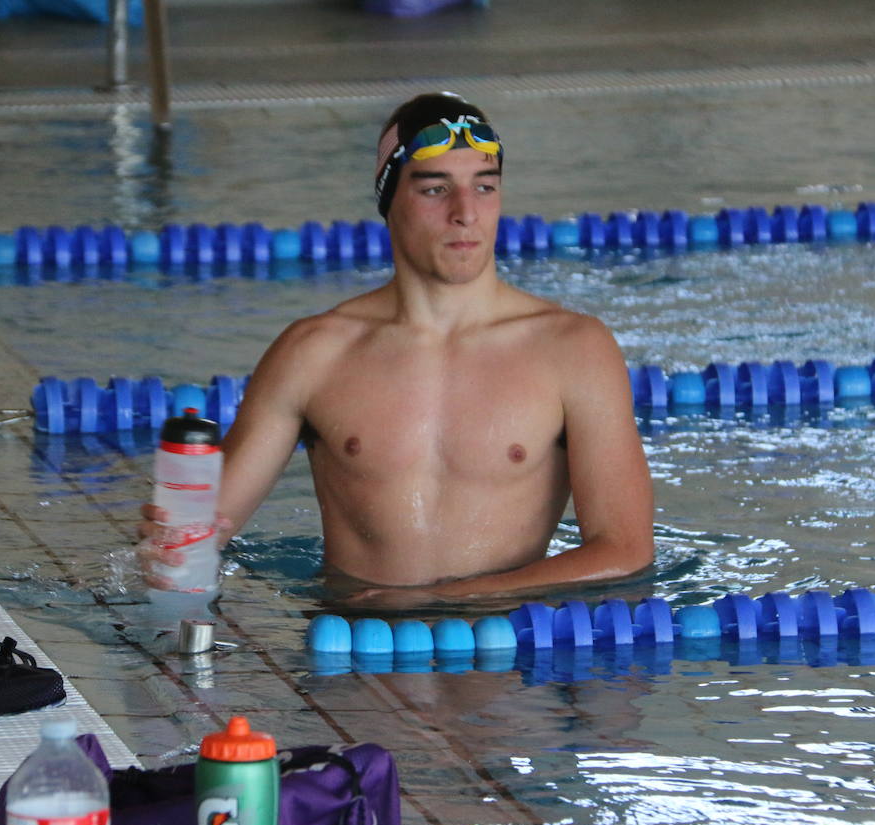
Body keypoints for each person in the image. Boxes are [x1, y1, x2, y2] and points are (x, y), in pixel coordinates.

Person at [141, 92, 653, 604]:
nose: (465, 213)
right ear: (390, 202)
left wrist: (445, 600)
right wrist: (171, 547)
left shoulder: (574, 349)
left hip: (505, 660)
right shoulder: (314, 353)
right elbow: (202, 532)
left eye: (484, 186)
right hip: (353, 653)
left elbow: (625, 550)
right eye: (435, 189)